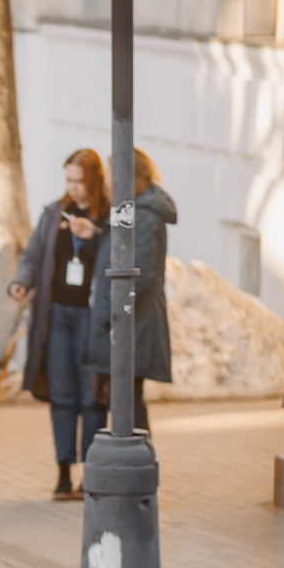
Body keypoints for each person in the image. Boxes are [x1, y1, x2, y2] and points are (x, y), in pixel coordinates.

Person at [11, 149, 108, 501]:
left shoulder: (109, 214)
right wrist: (21, 281)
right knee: (62, 396)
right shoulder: (55, 212)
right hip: (56, 315)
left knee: (92, 396)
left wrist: (95, 235)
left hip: (91, 317)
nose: (74, 188)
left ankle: (90, 472)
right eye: (68, 180)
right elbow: (33, 253)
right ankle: (63, 471)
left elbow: (115, 255)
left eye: (80, 181)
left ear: (94, 180)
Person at [83, 148, 174, 433]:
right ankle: (127, 463)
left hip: (134, 325)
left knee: (129, 402)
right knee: (120, 399)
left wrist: (108, 312)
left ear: (128, 176)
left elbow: (140, 273)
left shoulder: (144, 214)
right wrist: (96, 235)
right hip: (125, 321)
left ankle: (136, 464)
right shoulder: (131, 209)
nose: (107, 179)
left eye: (111, 173)